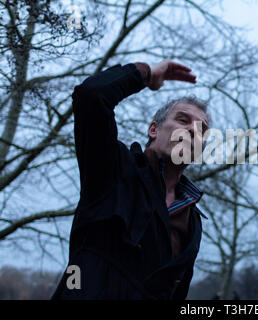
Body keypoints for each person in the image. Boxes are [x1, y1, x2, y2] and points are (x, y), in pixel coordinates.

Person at [51, 59, 210, 300]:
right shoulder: (114, 169)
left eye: (201, 130)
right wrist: (145, 74)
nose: (191, 131)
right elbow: (91, 96)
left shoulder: (192, 219)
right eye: (182, 120)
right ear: (154, 130)